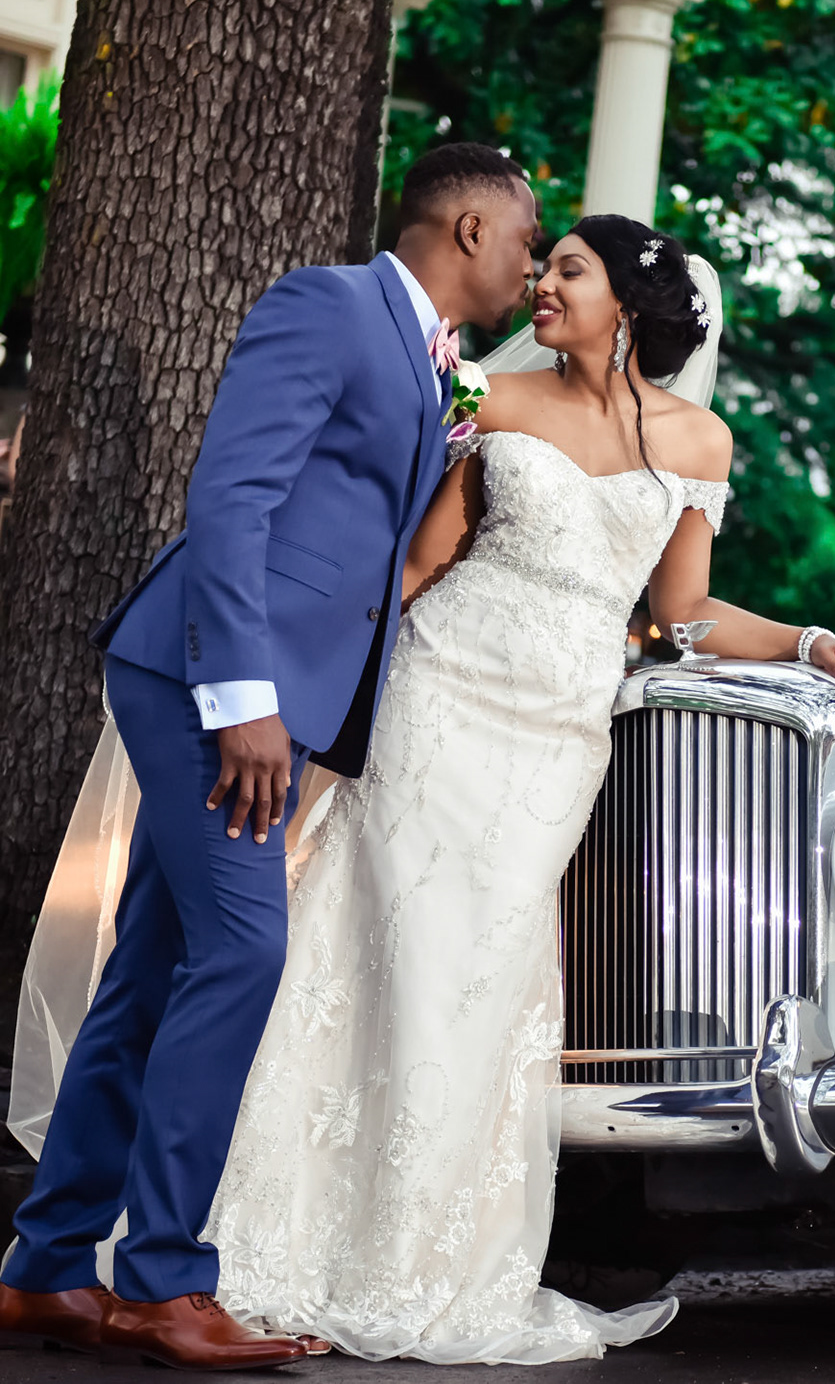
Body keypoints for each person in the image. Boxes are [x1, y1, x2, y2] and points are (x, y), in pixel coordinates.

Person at [198, 214, 835, 1364]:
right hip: (440, 700)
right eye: (544, 262)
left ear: (625, 300)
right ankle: (280, 1249)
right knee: (382, 951)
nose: (542, 283)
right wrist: (311, 702)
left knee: (479, 976)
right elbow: (420, 566)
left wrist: (809, 639)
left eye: (568, 269)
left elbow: (681, 615)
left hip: (554, 740)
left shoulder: (700, 442)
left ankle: (420, 1261)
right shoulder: (492, 402)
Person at [0, 142, 539, 1369]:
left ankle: (43, 1267)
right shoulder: (327, 304)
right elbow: (233, 499)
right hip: (211, 681)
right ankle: (161, 1281)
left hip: (275, 699)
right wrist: (243, 700)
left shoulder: (427, 357)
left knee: (155, 967)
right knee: (244, 949)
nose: (528, 258)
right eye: (522, 235)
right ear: (464, 230)